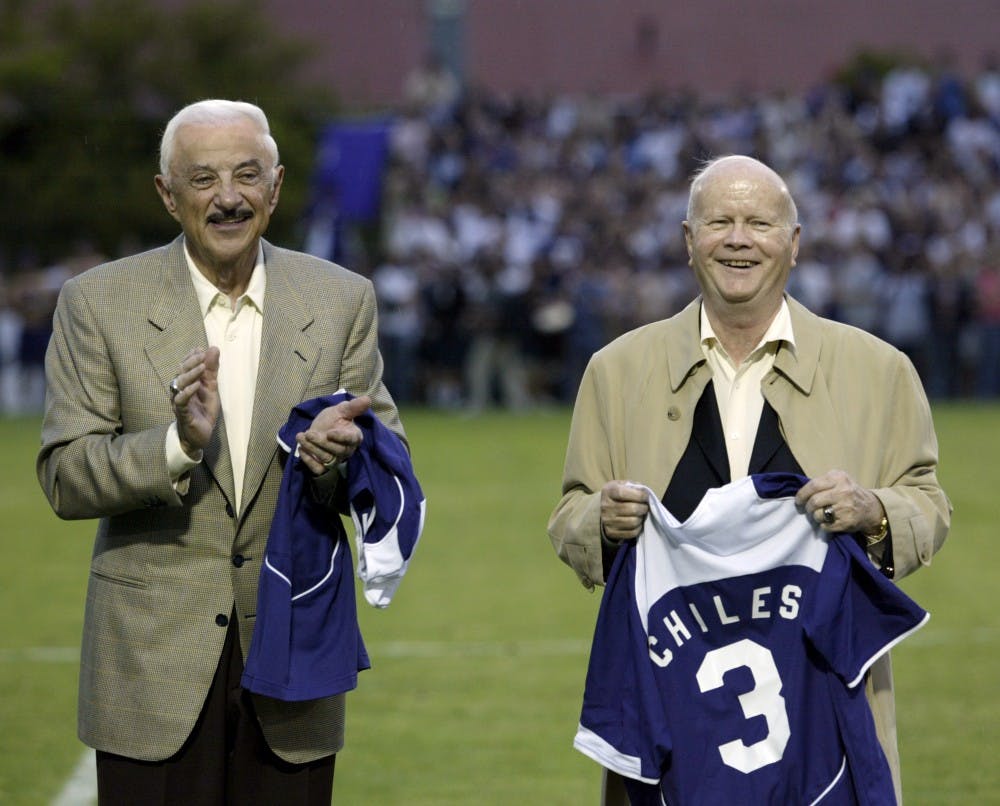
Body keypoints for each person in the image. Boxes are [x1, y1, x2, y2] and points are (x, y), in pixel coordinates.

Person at [548, 155, 951, 804]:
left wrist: (872, 508)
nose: (738, 239)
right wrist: (597, 519)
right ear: (688, 242)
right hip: (668, 706)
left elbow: (928, 505)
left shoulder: (879, 370)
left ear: (794, 246)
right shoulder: (616, 370)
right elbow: (569, 511)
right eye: (719, 222)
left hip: (826, 706)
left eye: (760, 223)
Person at [37, 99, 404, 804]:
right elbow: (65, 476)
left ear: (276, 186)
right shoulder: (97, 302)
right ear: (166, 194)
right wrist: (177, 445)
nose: (228, 197)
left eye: (246, 175)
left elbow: (384, 462)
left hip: (295, 659)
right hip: (149, 666)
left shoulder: (341, 300)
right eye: (203, 179)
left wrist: (339, 459)